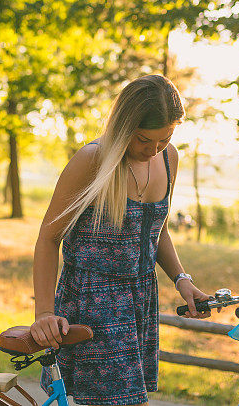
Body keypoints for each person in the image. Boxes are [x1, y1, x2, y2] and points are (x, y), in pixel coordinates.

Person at [31, 74, 211, 406]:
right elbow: (48, 238)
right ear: (124, 125)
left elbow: (157, 231)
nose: (152, 150)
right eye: (144, 139)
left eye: (164, 139)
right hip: (93, 301)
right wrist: (44, 313)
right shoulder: (92, 161)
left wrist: (182, 280)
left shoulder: (169, 158)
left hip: (140, 299)